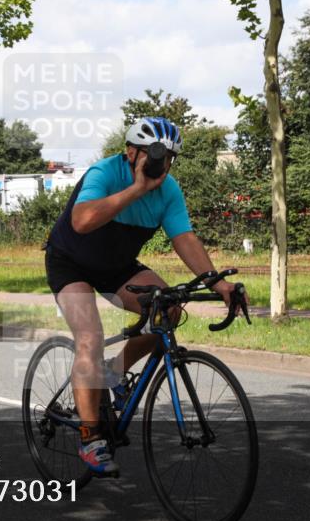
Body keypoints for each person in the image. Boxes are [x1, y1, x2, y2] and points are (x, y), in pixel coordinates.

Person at [44, 116, 244, 476]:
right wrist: (136, 189)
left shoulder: (169, 190)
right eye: (152, 154)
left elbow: (184, 238)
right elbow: (82, 222)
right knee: (89, 337)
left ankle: (113, 373)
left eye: (167, 157)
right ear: (130, 152)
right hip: (70, 262)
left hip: (116, 266)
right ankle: (90, 439)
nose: (159, 163)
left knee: (167, 310)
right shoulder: (104, 174)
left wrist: (218, 284)